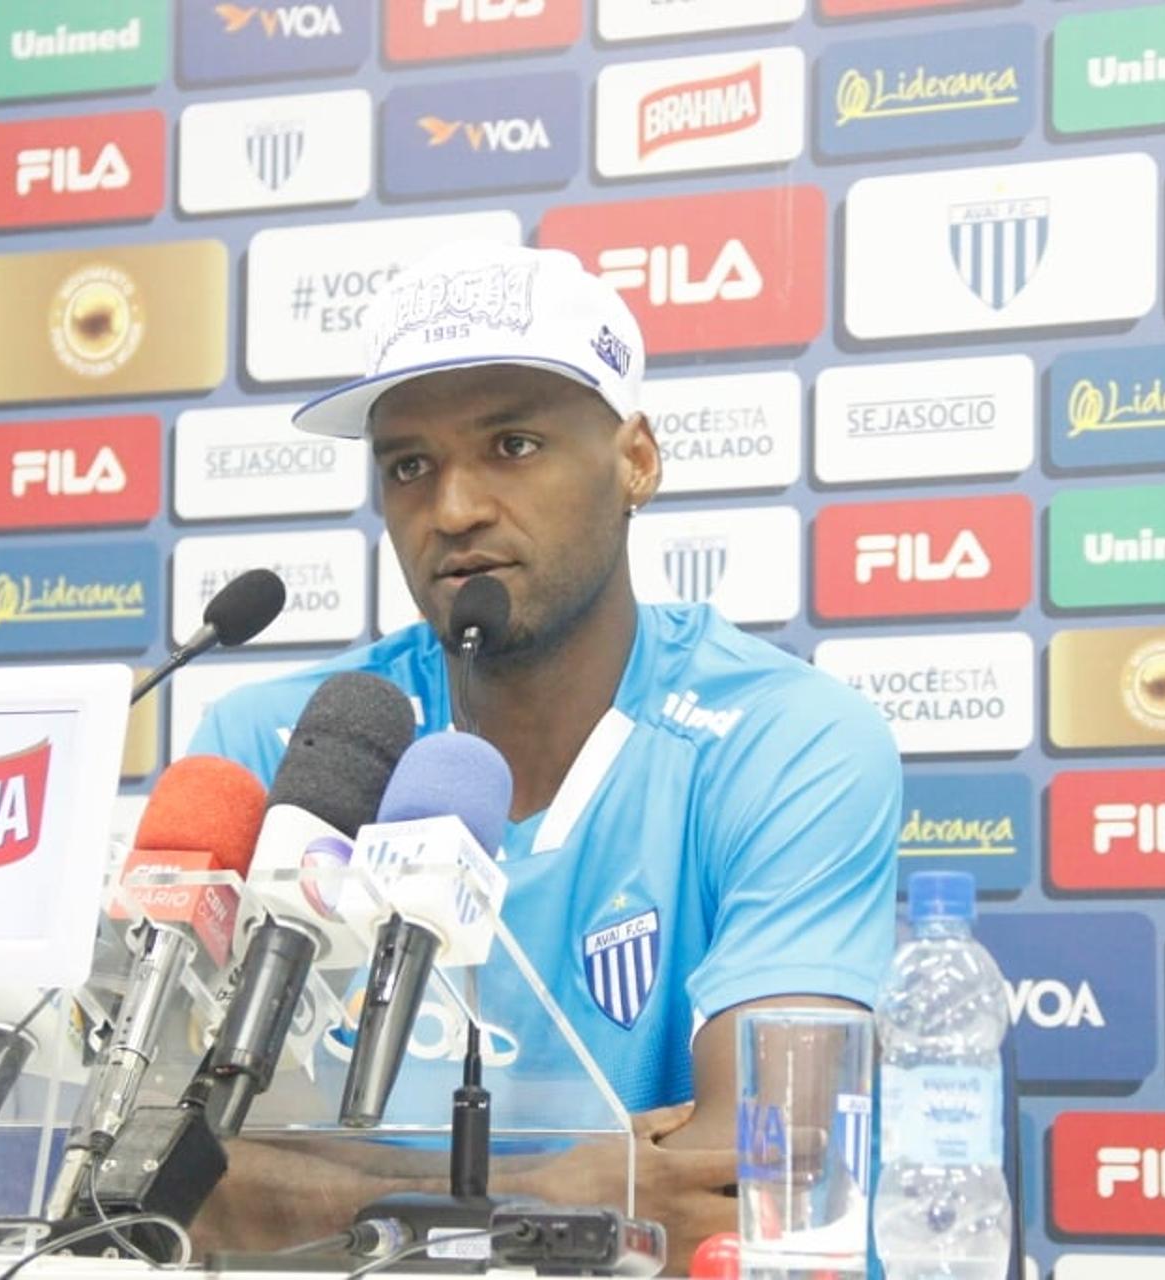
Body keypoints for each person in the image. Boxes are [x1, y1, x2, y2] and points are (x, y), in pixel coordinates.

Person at [188, 241, 901, 1264]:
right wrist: (573, 1188)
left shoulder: (791, 741)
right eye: (408, 465)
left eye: (513, 444)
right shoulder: (285, 746)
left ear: (636, 462)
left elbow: (758, 1179)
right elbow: (177, 1178)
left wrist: (339, 1190)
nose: (455, 507)